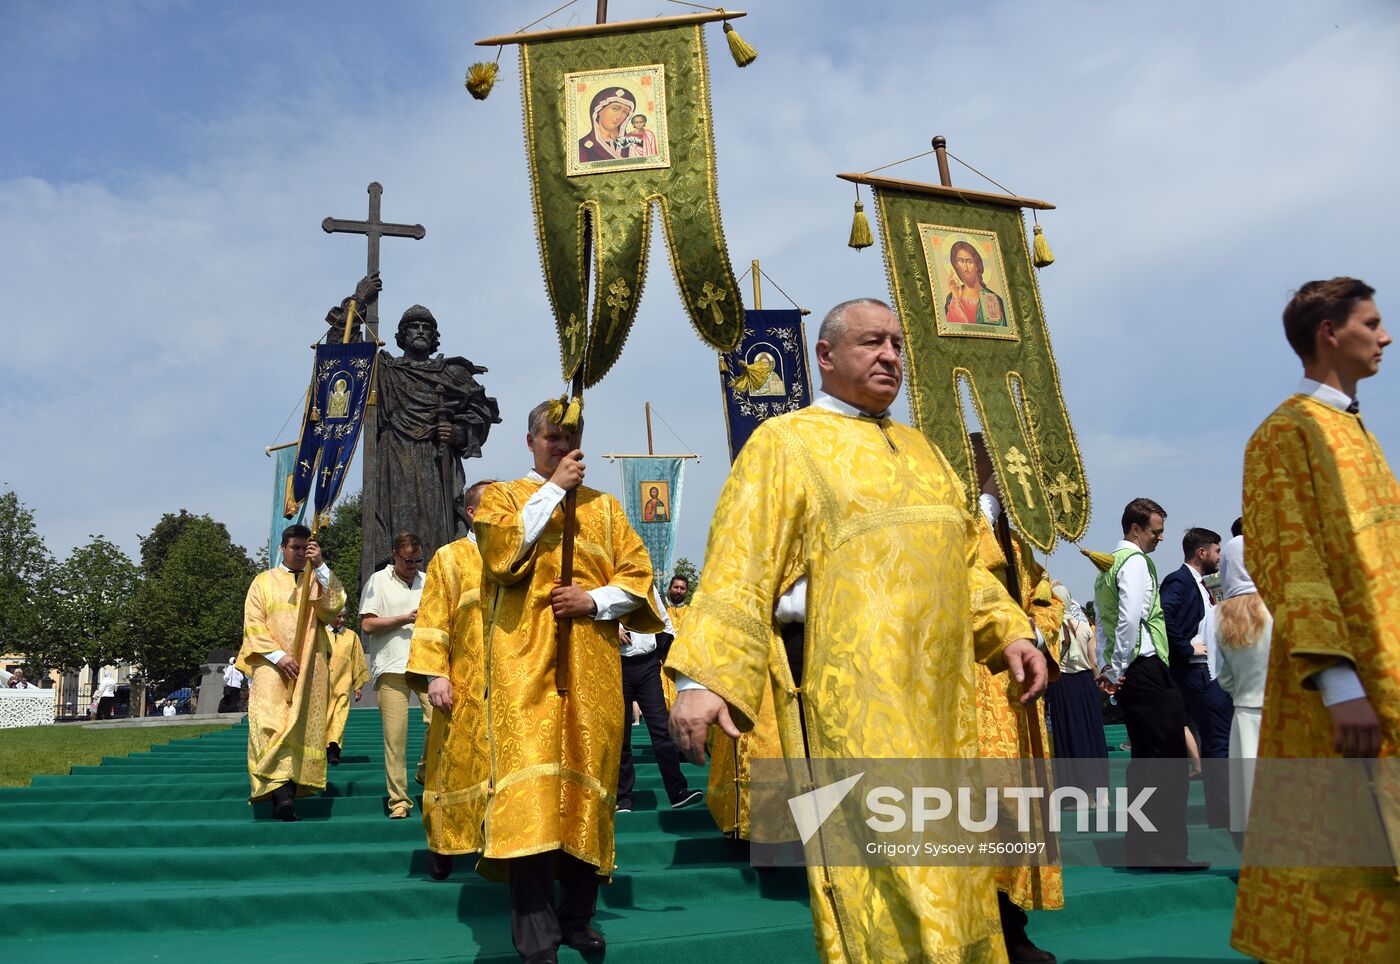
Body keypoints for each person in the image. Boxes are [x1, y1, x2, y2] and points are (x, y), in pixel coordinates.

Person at [667, 298, 1048, 962]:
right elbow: (738, 564)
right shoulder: (786, 443)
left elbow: (966, 564)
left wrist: (1009, 631)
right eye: (873, 342)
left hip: (941, 702)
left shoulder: (927, 453)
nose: (891, 356)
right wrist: (704, 678)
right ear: (825, 356)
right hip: (849, 700)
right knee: (883, 869)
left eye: (898, 343)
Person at [1233, 277, 1398, 961]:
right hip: (1344, 692)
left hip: (1387, 672)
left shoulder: (1357, 432)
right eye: (1372, 323)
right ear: (1330, 333)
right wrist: (1338, 682)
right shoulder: (1283, 433)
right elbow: (1291, 561)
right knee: (1346, 868)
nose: (1385, 336)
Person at [474, 399, 665, 963]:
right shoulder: (505, 498)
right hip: (526, 663)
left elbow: (641, 581)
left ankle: (578, 916)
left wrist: (595, 599)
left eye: (570, 437)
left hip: (593, 666)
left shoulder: (606, 509)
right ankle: (537, 939)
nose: (562, 446)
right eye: (551, 438)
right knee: (532, 796)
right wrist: (554, 489)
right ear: (531, 442)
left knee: (589, 789)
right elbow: (502, 558)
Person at [971, 431, 1064, 963]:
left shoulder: (1019, 540)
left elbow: (1044, 598)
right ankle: (989, 923)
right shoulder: (964, 527)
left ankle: (1011, 920)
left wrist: (1032, 627)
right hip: (972, 688)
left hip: (1016, 693)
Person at [1095, 498, 1203, 870]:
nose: (1160, 538)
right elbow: (1129, 619)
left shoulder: (1109, 566)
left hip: (1132, 671)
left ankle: (1142, 849)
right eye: (1156, 531)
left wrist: (1109, 669)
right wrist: (1119, 667)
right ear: (1135, 529)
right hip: (1146, 668)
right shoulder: (1137, 562)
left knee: (1145, 761)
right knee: (1166, 760)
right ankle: (1165, 850)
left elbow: (1104, 624)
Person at [362, 304, 500, 588]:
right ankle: (393, 590)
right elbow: (347, 363)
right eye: (414, 327)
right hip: (394, 460)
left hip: (435, 463)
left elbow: (480, 417)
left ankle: (440, 590)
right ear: (402, 335)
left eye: (427, 327)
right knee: (394, 526)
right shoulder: (385, 371)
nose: (421, 332)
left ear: (435, 335)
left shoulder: (450, 374)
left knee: (438, 533)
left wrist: (458, 433)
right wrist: (358, 305)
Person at [407, 479, 495, 883]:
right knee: (454, 762)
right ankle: (443, 843)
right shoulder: (450, 557)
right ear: (473, 513)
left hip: (512, 685)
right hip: (463, 680)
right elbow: (433, 620)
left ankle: (497, 844)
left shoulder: (522, 556)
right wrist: (437, 675)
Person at [236, 524, 346, 821]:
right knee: (269, 724)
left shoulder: (316, 580)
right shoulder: (263, 581)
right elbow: (253, 624)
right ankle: (279, 792)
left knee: (299, 724)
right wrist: (279, 656)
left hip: (309, 664)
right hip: (271, 665)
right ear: (282, 549)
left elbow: (334, 607)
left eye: (304, 548)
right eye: (294, 548)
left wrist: (321, 565)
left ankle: (289, 789)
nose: (299, 553)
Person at [1160, 527, 1232, 826]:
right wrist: (1185, 646)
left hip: (1206, 668)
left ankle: (1224, 807)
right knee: (1217, 739)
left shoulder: (1199, 583)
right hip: (1195, 671)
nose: (1219, 557)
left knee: (1218, 736)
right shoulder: (1179, 580)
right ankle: (1223, 810)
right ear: (1202, 552)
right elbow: (1165, 613)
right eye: (1216, 551)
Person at [1200, 535, 1270, 833]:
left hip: (1244, 714)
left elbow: (1221, 675)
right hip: (1282, 713)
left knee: (1249, 799)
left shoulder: (1218, 615)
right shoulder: (1278, 606)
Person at [360, 532, 428, 819]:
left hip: (427, 665)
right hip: (391, 666)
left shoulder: (428, 580)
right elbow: (368, 625)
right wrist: (405, 619)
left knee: (440, 724)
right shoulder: (378, 581)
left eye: (417, 560)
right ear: (394, 556)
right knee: (395, 738)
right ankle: (399, 801)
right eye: (407, 561)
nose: (413, 566)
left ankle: (424, 769)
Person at [616, 594, 702, 815]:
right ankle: (623, 798)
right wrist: (611, 630)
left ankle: (678, 792)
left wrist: (660, 652)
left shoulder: (650, 587)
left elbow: (665, 624)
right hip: (618, 664)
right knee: (622, 734)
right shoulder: (608, 579)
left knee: (662, 730)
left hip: (648, 666)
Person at [1045, 583, 1110, 802]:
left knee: (1070, 739)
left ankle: (1077, 798)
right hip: (1086, 683)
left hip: (1062, 685)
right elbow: (1094, 661)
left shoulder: (1051, 628)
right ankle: (1102, 795)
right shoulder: (1084, 625)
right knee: (1093, 736)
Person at [325, 612, 368, 766]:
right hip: (323, 685)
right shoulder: (320, 633)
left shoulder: (352, 636)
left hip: (343, 684)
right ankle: (320, 749)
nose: (342, 620)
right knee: (324, 717)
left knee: (339, 716)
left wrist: (358, 685)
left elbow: (358, 660)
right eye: (338, 616)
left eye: (344, 616)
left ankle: (333, 749)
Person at [944, 241, 1008, 327]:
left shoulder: (992, 299)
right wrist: (956, 301)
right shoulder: (951, 298)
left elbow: (998, 332)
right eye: (961, 261)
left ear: (977, 266)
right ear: (956, 265)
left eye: (969, 261)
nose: (965, 267)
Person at [577, 86, 637, 163]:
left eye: (625, 112)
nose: (619, 117)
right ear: (599, 110)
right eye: (615, 109)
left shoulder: (631, 145)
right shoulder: (583, 146)